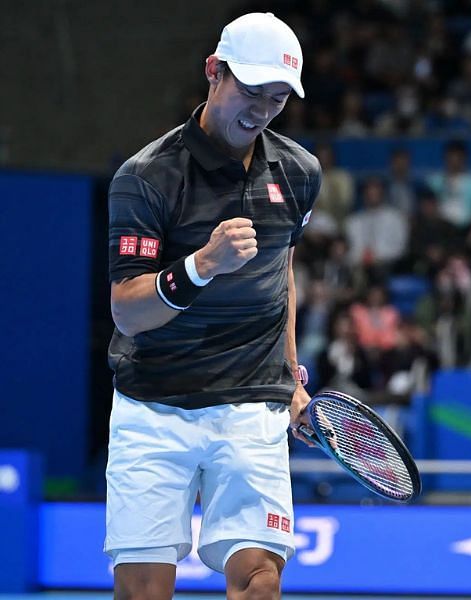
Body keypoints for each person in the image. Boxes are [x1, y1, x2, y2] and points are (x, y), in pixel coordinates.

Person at [105, 13, 319, 600]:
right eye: (251, 92)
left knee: (261, 581)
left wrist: (290, 376)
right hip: (154, 406)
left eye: (277, 99)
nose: (262, 110)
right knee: (142, 593)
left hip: (251, 404)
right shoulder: (145, 178)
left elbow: (283, 270)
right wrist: (201, 265)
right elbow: (127, 311)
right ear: (213, 73)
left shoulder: (299, 173)